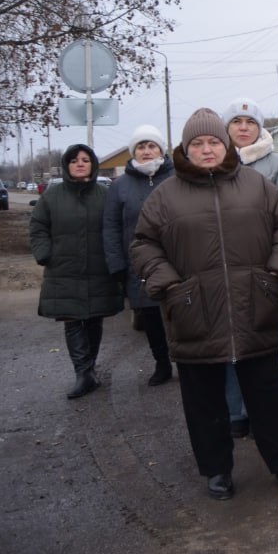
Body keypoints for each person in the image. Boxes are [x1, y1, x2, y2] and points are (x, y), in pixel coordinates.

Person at [130, 109, 278, 500]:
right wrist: (171, 287)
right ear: (185, 149)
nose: (207, 149)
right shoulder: (165, 196)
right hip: (194, 311)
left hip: (254, 306)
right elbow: (143, 244)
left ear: (225, 146)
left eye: (213, 142)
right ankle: (217, 471)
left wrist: (274, 273)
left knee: (267, 394)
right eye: (198, 143)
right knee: (203, 399)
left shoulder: (256, 186)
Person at [31, 144, 123, 399]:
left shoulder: (105, 195)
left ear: (93, 164)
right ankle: (82, 374)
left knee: (94, 319)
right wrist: (44, 253)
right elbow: (38, 226)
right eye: (74, 160)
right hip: (64, 270)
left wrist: (116, 260)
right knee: (71, 320)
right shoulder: (52, 195)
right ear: (67, 165)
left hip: (99, 269)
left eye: (85, 159)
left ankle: (89, 368)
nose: (80, 164)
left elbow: (116, 227)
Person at [224, 98, 278, 436]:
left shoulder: (277, 165)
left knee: (262, 342)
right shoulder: (214, 164)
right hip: (222, 270)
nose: (243, 128)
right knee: (228, 342)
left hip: (261, 268)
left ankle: (262, 410)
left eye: (250, 122)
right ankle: (235, 412)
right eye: (237, 122)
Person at [103, 125, 175, 387]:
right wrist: (116, 264)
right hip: (139, 264)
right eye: (141, 147)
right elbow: (110, 226)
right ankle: (162, 364)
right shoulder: (120, 186)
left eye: (152, 146)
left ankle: (190, 363)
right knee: (151, 317)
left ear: (161, 149)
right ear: (133, 152)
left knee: (182, 314)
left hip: (178, 258)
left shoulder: (177, 177)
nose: (147, 151)